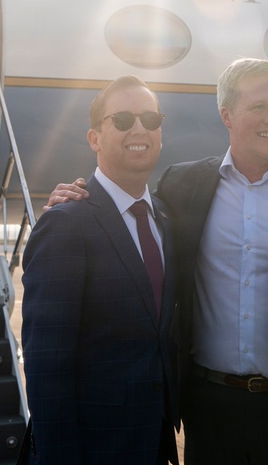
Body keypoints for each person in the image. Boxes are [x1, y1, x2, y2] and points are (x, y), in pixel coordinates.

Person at [48, 58, 268, 465]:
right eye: (258, 107)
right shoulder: (184, 185)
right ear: (227, 114)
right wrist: (77, 194)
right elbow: (128, 210)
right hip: (209, 412)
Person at [23, 75, 179, 464]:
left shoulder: (166, 219)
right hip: (94, 450)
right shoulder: (66, 224)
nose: (139, 129)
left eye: (151, 119)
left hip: (153, 445)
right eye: (123, 120)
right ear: (94, 139)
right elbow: (46, 369)